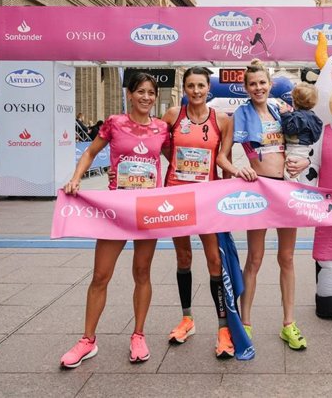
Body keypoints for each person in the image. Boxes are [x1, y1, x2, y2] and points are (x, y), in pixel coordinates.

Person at [59, 73, 170, 368]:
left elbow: (176, 163)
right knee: (100, 275)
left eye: (151, 93)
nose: (146, 97)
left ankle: (138, 335)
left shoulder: (162, 128)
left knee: (142, 273)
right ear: (130, 95)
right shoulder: (115, 123)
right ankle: (88, 340)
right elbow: (90, 153)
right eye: (141, 92)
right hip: (116, 211)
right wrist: (75, 179)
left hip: (147, 211)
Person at [217, 59, 309, 350]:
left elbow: (303, 145)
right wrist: (237, 170)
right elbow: (222, 156)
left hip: (286, 189)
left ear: (269, 85)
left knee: (287, 258)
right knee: (254, 258)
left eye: (262, 83)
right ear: (246, 87)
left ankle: (289, 324)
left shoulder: (282, 111)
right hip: (258, 190)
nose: (258, 88)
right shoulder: (238, 116)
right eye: (252, 84)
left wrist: (305, 160)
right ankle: (245, 323)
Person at [162, 67, 236, 359]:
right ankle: (187, 319)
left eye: (201, 86)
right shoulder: (172, 115)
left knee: (214, 260)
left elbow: (224, 160)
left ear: (209, 88)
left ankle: (222, 329)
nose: (196, 91)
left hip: (207, 199)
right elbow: (163, 147)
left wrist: (226, 194)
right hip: (176, 196)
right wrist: (179, 169)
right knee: (183, 258)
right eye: (190, 86)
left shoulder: (222, 120)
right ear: (184, 88)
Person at [278, 82, 323, 181]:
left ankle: (292, 193)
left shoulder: (299, 117)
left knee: (290, 173)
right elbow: (316, 136)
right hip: (304, 148)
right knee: (296, 174)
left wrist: (285, 115)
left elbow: (290, 130)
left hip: (295, 148)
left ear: (295, 101)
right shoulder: (313, 117)